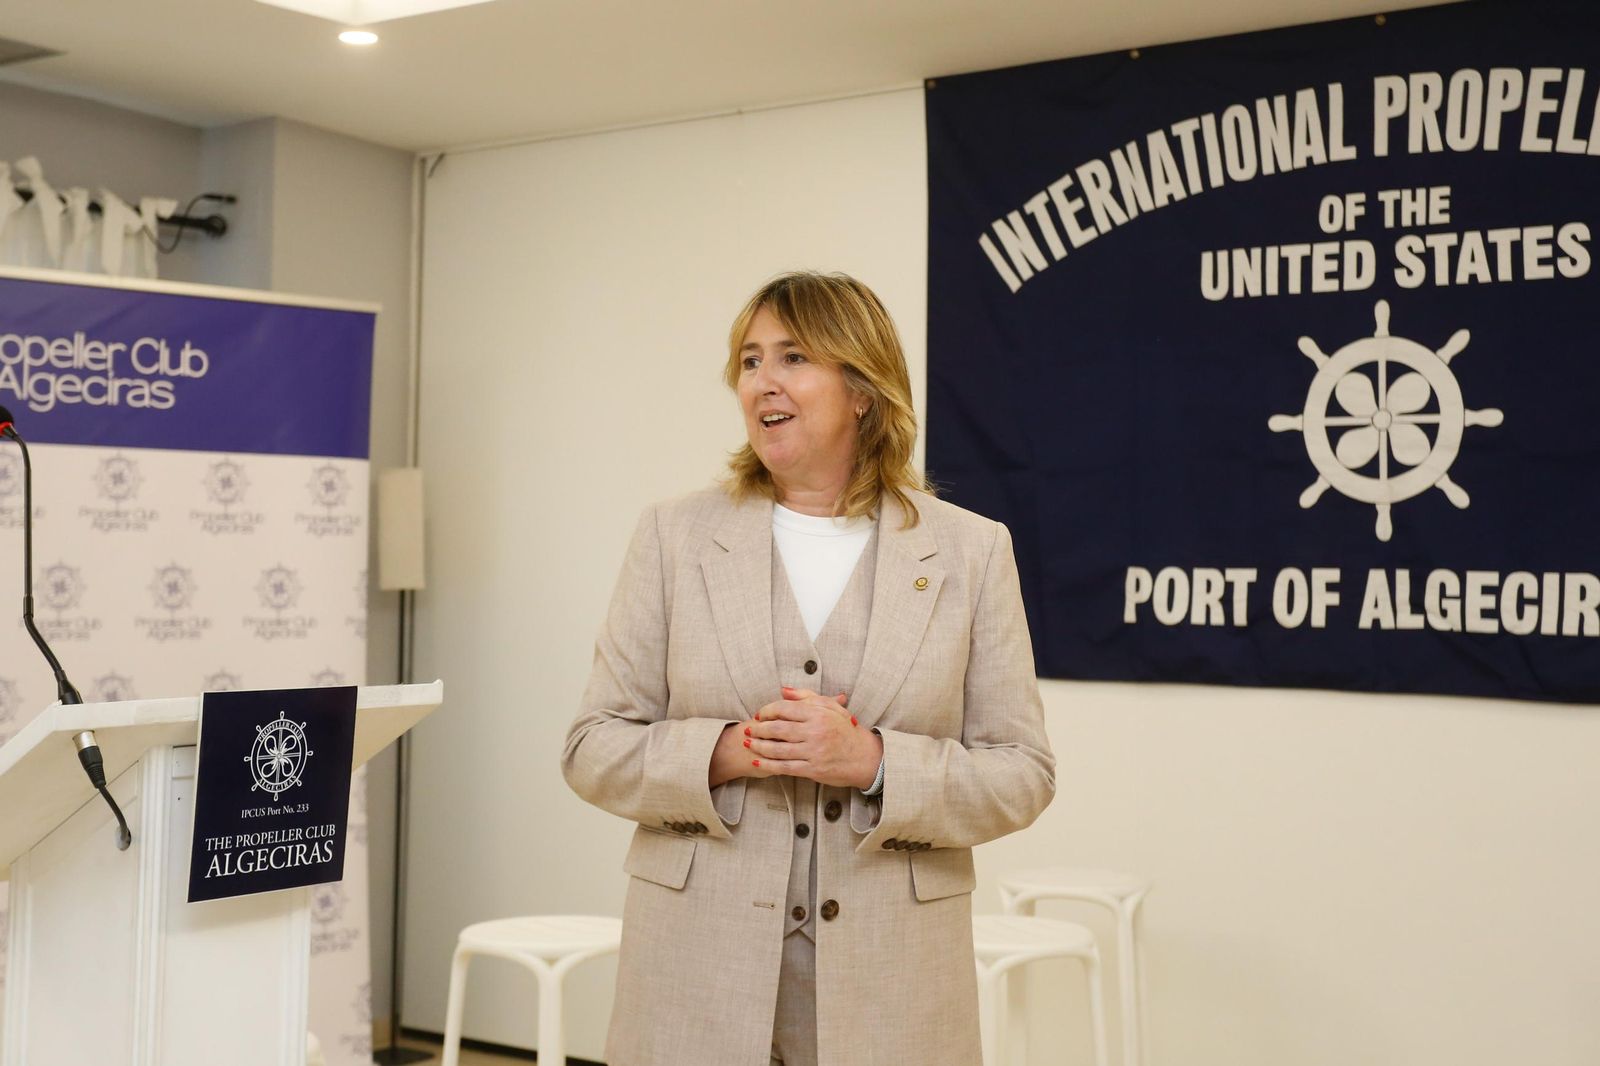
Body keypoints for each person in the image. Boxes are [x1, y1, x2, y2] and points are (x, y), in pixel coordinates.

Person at [562, 271, 1055, 1066]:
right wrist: (725, 751)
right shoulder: (673, 538)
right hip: (695, 978)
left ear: (861, 388)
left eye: (793, 356)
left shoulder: (970, 550)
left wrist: (876, 762)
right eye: (750, 360)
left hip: (893, 991)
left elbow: (1022, 773)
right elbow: (592, 746)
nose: (763, 381)